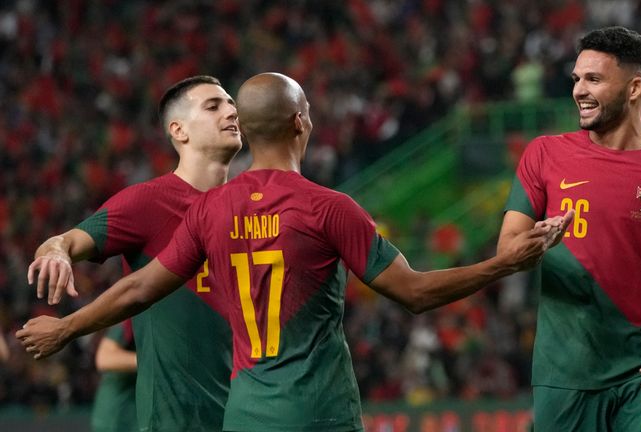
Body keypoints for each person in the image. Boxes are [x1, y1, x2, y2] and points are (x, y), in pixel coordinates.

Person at [17, 72, 573, 432]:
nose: (227, 110)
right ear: (301, 123)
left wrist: (65, 329)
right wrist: (505, 263)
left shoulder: (208, 212)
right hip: (316, 413)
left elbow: (139, 287)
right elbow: (417, 293)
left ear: (249, 128)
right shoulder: (328, 207)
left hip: (244, 415)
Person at [499, 26, 641, 431]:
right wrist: (536, 243)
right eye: (577, 79)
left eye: (594, 79)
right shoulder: (544, 155)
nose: (579, 90)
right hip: (565, 377)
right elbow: (506, 252)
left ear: (634, 88)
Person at [25, 75, 242, 431]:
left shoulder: (246, 210)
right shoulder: (149, 201)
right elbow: (64, 241)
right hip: (177, 422)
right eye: (214, 105)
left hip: (246, 415)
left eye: (232, 103)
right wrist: (57, 253)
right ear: (179, 131)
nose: (232, 111)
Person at [91, 320, 138, 432]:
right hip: (118, 416)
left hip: (137, 412)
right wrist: (151, 361)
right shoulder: (136, 314)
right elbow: (104, 357)